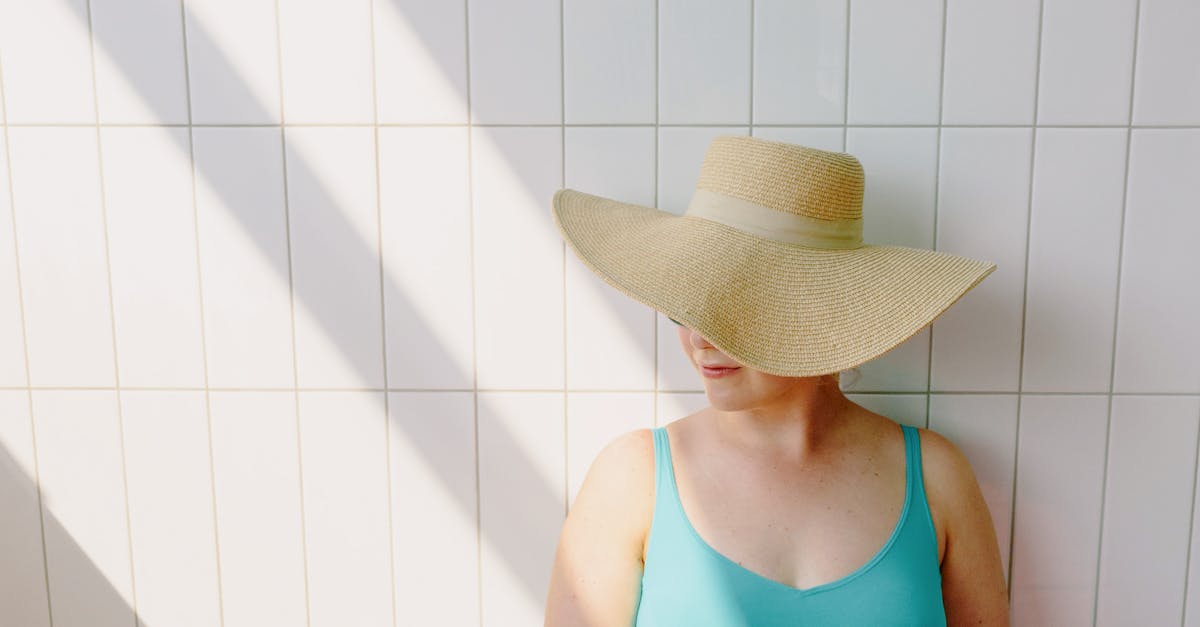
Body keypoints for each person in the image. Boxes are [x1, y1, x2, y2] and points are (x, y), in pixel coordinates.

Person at [543, 135, 1010, 626]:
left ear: (817, 313)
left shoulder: (937, 476)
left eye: (735, 308)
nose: (698, 337)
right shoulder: (633, 479)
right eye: (686, 304)